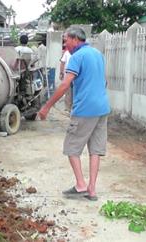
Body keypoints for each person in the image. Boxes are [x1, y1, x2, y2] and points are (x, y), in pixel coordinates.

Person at [38, 27, 110, 201]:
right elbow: (104, 81)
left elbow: (64, 85)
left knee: (71, 148)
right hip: (102, 108)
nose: (65, 44)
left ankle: (80, 185)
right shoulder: (98, 55)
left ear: (75, 39)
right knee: (96, 150)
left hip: (85, 109)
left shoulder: (76, 57)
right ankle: (92, 190)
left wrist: (47, 107)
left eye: (66, 40)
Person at [59, 43, 72, 111]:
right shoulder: (78, 53)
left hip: (68, 75)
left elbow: (62, 63)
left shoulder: (66, 53)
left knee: (68, 91)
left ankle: (68, 107)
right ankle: (72, 107)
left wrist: (61, 73)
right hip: (76, 75)